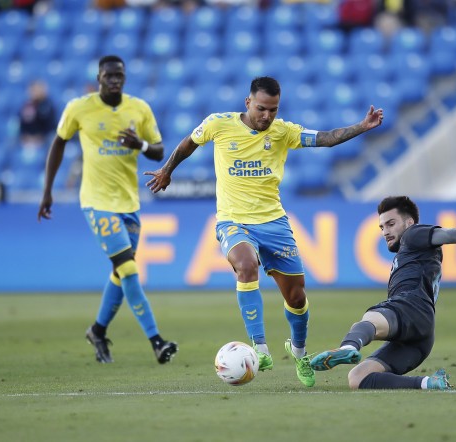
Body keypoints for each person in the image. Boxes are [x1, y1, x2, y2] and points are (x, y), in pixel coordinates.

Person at [145, 76, 384, 387]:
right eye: (261, 109)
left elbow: (325, 138)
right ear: (248, 103)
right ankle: (260, 350)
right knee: (246, 266)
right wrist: (167, 169)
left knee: (297, 297)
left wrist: (360, 127)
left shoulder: (283, 131)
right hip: (233, 220)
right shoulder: (218, 124)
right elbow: (189, 142)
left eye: (273, 110)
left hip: (274, 223)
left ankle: (299, 353)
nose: (267, 116)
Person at [37, 55, 178, 365]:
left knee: (119, 271)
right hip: (96, 201)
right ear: (99, 77)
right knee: (128, 269)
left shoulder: (138, 108)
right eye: (109, 75)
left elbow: (159, 152)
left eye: (120, 76)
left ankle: (97, 331)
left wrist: (138, 145)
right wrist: (47, 190)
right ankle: (157, 341)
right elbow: (58, 143)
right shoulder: (79, 108)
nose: (115, 80)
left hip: (129, 202)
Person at [310, 195, 456, 389]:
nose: (385, 231)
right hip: (421, 336)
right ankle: (429, 383)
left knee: (370, 319)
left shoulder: (414, 234)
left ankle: (348, 346)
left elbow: (449, 234)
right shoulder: (412, 250)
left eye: (391, 224)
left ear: (409, 222)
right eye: (382, 227)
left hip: (410, 308)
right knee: (358, 377)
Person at [18, 80, 57, 149]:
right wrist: (26, 137)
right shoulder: (27, 106)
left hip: (44, 138)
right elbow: (21, 124)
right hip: (28, 138)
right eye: (33, 90)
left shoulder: (48, 105)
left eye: (37, 89)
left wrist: (39, 137)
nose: (34, 92)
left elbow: (51, 126)